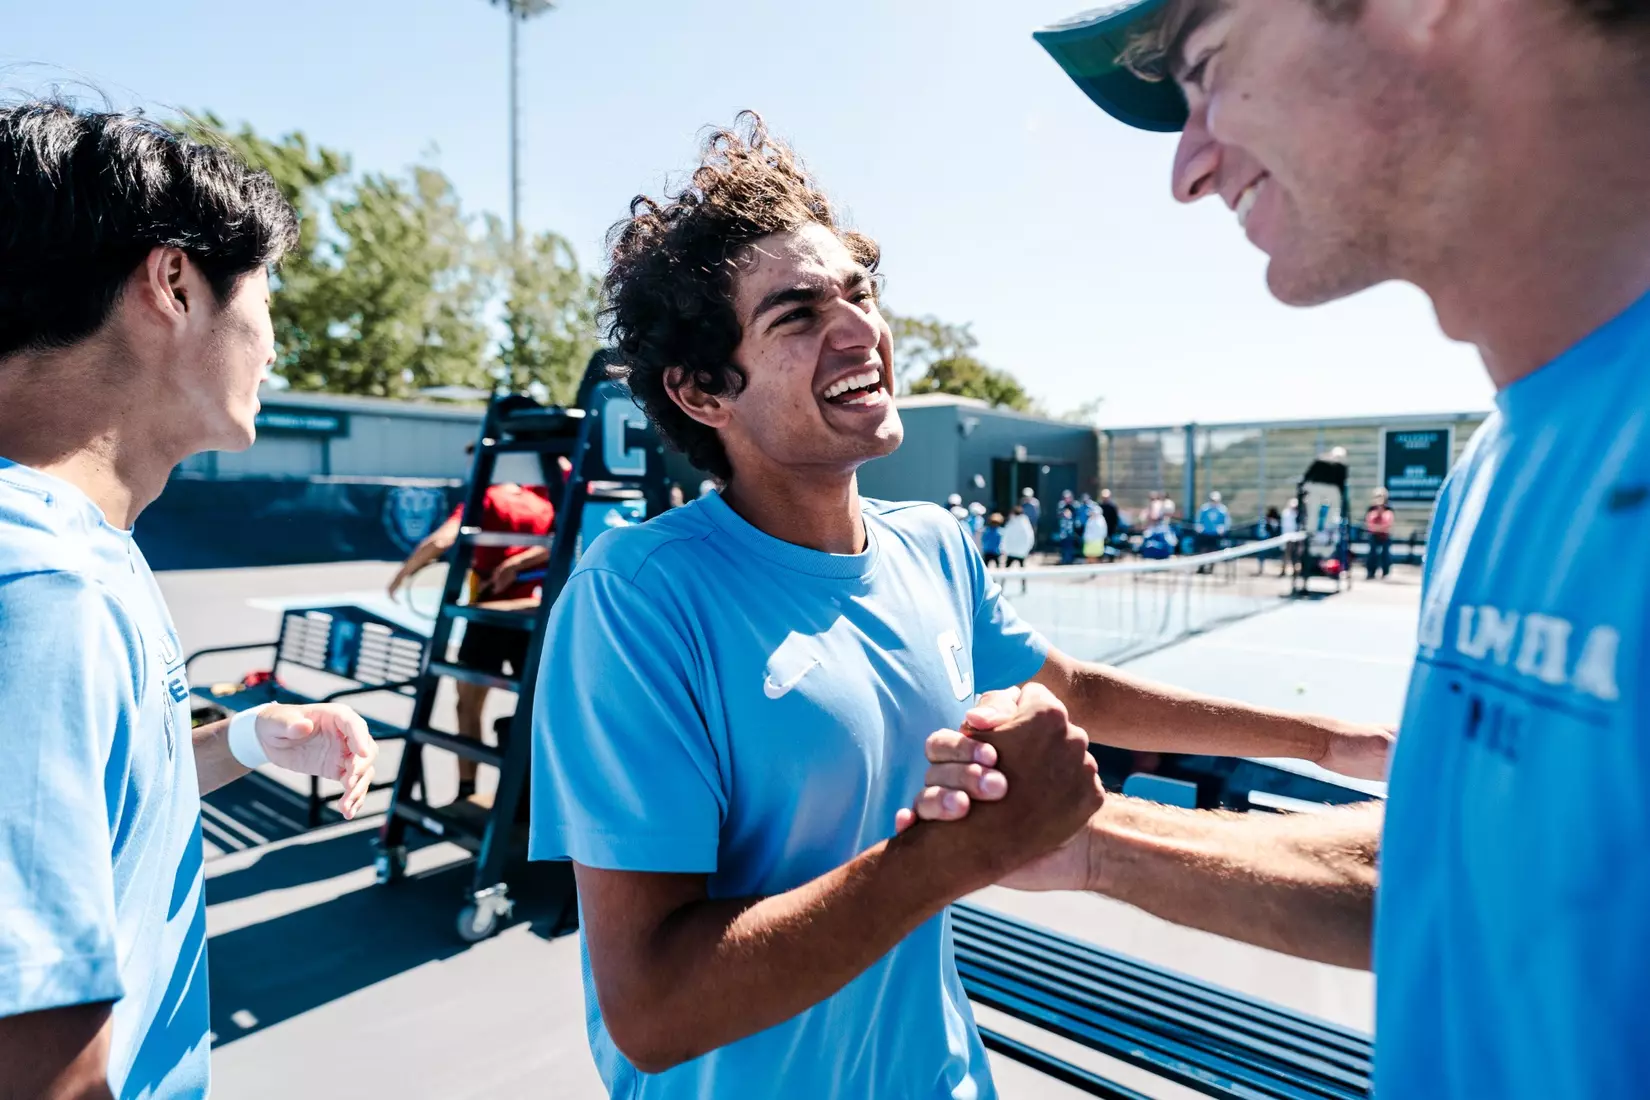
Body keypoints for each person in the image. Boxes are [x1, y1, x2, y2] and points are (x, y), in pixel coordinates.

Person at [527, 114, 1390, 1100]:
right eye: (797, 315)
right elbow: (655, 1011)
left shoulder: (931, 541)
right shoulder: (635, 600)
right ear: (702, 391)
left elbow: (1076, 690)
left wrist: (1323, 738)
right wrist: (948, 857)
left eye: (860, 293)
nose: (861, 332)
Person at [909, 1, 1650, 1094]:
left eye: (1206, 67)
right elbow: (1452, 875)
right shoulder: (1499, 468)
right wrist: (1086, 840)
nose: (1189, 168)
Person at [0, 101, 379, 1099]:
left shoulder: (81, 549)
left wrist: (246, 740)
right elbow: (35, 1058)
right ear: (173, 283)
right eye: (265, 302)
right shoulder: (43, 588)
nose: (273, 347)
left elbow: (89, 801)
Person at [387, 450, 559, 802]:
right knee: (545, 707)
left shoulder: (485, 497)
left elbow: (440, 541)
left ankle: (466, 792)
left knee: (468, 706)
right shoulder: (545, 497)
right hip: (535, 616)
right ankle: (540, 795)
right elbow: (564, 538)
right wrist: (522, 560)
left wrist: (402, 575)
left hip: (488, 617)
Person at [1000, 506, 1036, 590]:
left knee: (1006, 571)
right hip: (1022, 552)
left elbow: (1005, 537)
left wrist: (1004, 549)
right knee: (1022, 571)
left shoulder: (1011, 523)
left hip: (1011, 552)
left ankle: (1002, 587)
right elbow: (1030, 537)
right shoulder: (1025, 523)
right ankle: (1023, 587)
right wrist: (1027, 550)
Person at [1364, 488, 1395, 580]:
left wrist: (1379, 526)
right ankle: (1371, 572)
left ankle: (1385, 572)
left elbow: (1388, 524)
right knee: (1372, 553)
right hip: (1373, 535)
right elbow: (1369, 524)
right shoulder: (1371, 509)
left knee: (1385, 553)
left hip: (1385, 535)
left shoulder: (1389, 509)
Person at [1280, 497, 1301, 577]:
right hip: (1287, 538)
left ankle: (1294, 570)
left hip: (1295, 538)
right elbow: (1288, 527)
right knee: (1286, 555)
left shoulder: (1296, 514)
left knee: (1295, 555)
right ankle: (1283, 570)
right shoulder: (1287, 513)